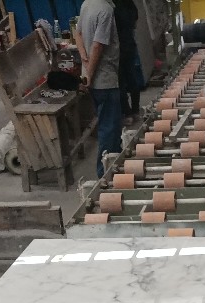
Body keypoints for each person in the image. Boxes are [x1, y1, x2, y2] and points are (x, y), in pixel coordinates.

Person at [75, 0, 122, 178]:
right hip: (104, 79)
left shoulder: (87, 3)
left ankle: (116, 164)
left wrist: (84, 60)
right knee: (109, 127)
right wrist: (90, 73)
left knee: (107, 123)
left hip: (93, 78)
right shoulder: (105, 10)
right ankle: (106, 173)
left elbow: (78, 34)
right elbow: (98, 45)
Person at [113, 0, 143, 121]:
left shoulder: (112, 6)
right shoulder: (129, 4)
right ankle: (135, 110)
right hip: (129, 45)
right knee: (132, 78)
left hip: (118, 48)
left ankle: (127, 113)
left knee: (120, 82)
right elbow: (135, 17)